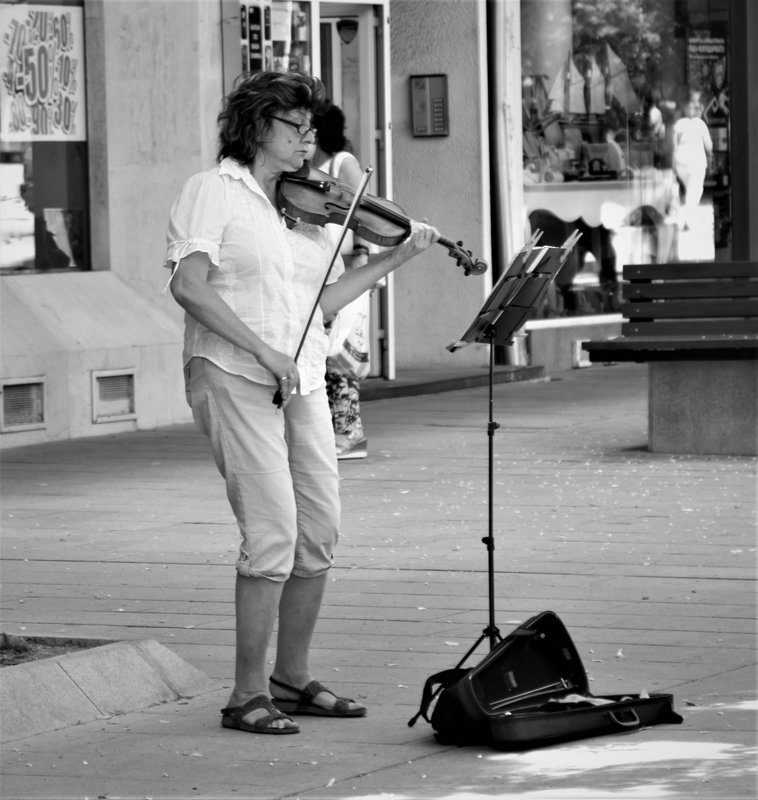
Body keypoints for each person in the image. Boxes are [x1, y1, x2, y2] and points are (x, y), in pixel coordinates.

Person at [164, 71, 438, 736]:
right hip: (232, 371)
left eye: (312, 129)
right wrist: (264, 351)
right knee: (272, 534)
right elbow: (190, 286)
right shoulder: (213, 191)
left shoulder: (300, 207)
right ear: (257, 125)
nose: (308, 140)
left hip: (304, 375)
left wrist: (397, 257)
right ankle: (246, 694)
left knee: (318, 531)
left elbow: (323, 304)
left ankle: (290, 678)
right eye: (295, 127)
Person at [309, 103, 371, 460]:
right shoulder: (308, 165)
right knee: (323, 352)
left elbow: (366, 211)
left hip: (343, 269)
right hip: (319, 269)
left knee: (339, 353)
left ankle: (349, 433)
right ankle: (334, 432)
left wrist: (362, 255)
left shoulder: (341, 162)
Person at [673, 95, 713, 230]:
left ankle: (684, 217)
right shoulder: (700, 124)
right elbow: (709, 146)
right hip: (696, 163)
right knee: (695, 191)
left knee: (688, 190)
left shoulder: (679, 124)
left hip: (681, 163)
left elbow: (673, 146)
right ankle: (686, 218)